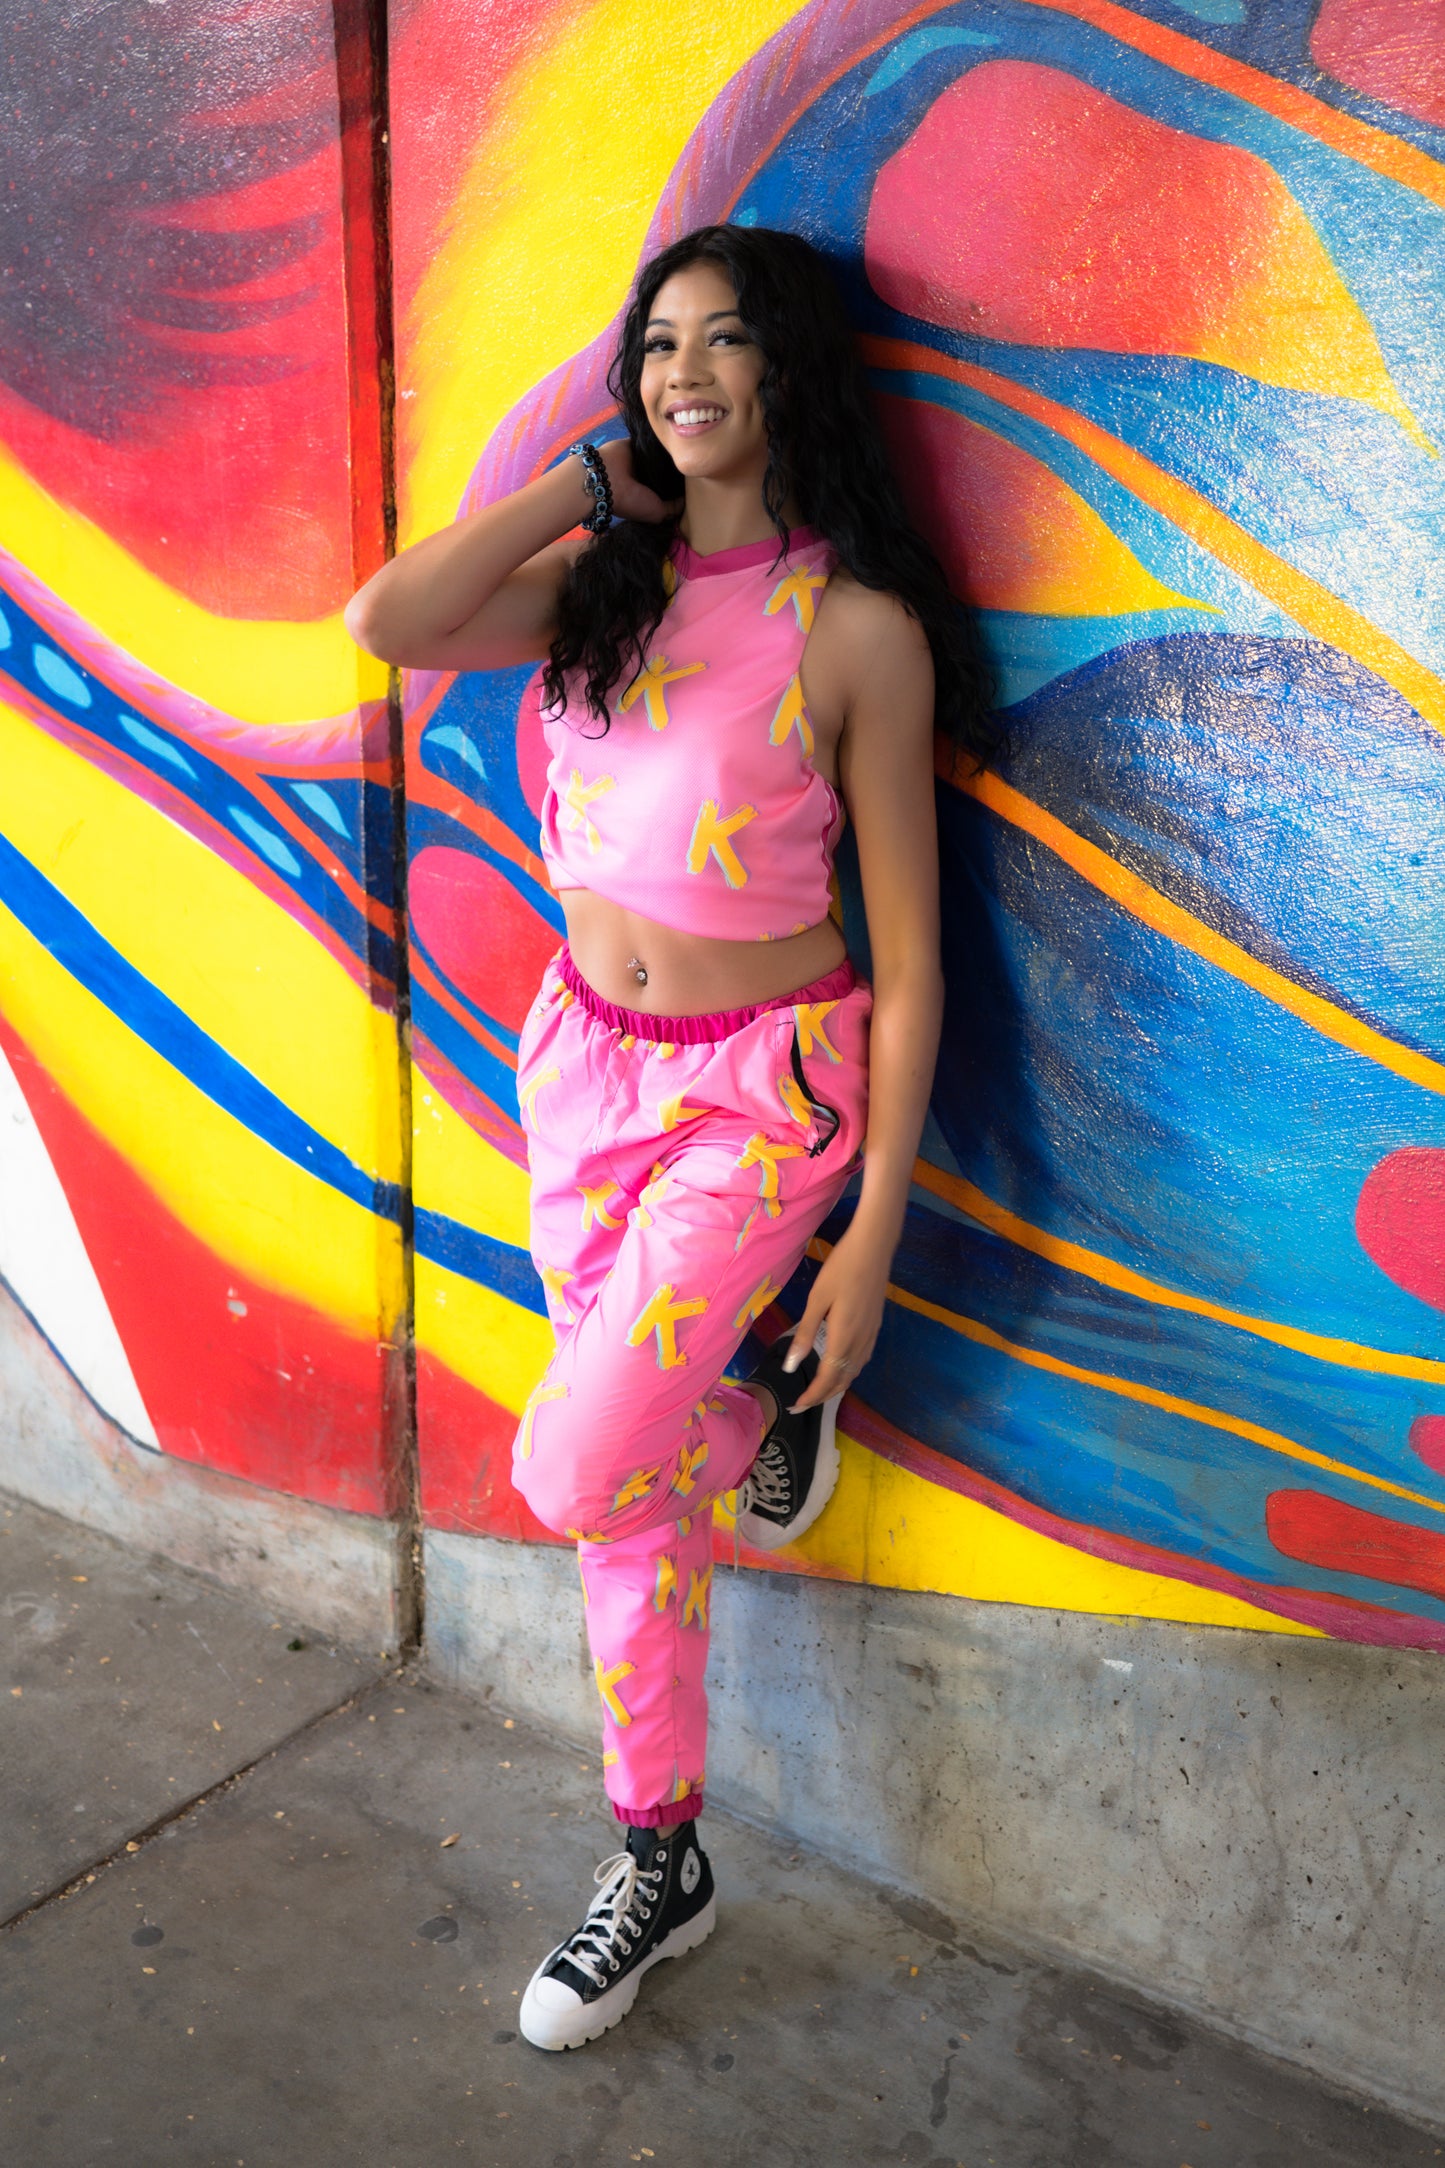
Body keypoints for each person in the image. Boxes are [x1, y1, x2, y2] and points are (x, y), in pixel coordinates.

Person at [345, 223, 994, 2052]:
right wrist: (578, 489)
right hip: (582, 1068)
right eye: (656, 345)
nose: (682, 372)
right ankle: (660, 1854)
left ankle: (754, 1394)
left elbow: (910, 962)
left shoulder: (853, 631)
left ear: (789, 368)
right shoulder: (595, 597)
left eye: (722, 340)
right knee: (622, 1487)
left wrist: (867, 1242)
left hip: (759, 1093)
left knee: (576, 1465)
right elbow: (387, 625)